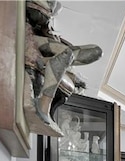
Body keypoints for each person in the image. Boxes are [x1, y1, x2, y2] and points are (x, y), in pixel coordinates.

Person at [25, 0, 103, 134]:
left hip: (43, 42)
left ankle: (47, 62)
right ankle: (44, 105)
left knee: (96, 52)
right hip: (33, 39)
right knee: (67, 55)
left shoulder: (48, 27)